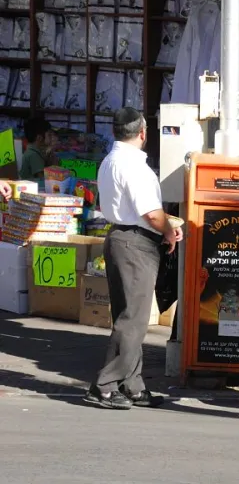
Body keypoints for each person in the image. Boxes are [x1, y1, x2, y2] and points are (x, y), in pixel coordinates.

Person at [85, 108, 182, 410]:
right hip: (135, 241)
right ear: (143, 132)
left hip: (120, 238)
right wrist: (169, 230)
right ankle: (105, 385)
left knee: (130, 316)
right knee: (133, 320)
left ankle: (132, 385)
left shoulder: (110, 160)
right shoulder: (133, 166)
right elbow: (151, 214)